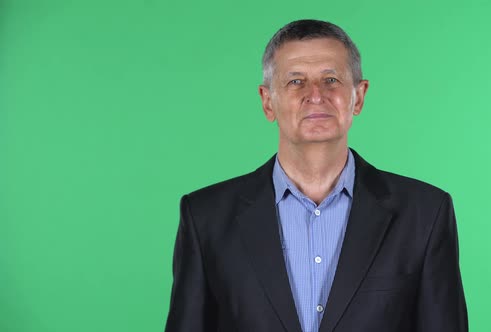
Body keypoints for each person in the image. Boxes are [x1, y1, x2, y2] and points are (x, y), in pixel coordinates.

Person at [164, 19, 468, 332]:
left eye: (331, 79)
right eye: (295, 82)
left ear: (358, 97)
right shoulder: (205, 218)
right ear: (268, 101)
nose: (316, 95)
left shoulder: (425, 214)